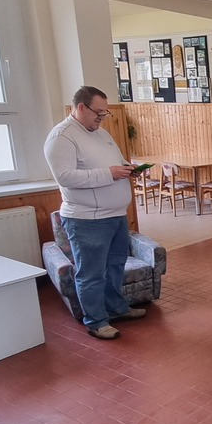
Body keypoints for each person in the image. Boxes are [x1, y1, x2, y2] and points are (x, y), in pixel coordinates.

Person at [43, 86, 147, 340]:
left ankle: (116, 308)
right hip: (87, 219)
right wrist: (109, 173)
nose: (102, 118)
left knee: (115, 266)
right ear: (81, 107)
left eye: (105, 113)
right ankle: (96, 321)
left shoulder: (100, 133)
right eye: (98, 113)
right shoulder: (62, 137)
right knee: (91, 273)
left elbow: (116, 162)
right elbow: (65, 177)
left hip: (115, 214)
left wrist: (128, 169)